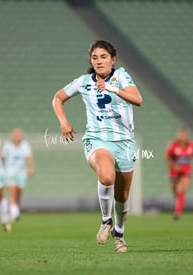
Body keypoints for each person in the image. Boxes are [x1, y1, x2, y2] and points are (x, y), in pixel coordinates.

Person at [52, 40, 143, 253]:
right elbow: (58, 98)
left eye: (103, 57)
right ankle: (105, 220)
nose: (99, 61)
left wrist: (110, 87)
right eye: (95, 57)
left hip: (124, 143)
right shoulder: (84, 81)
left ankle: (119, 234)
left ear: (113, 59)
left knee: (123, 197)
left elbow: (138, 100)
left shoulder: (121, 76)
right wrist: (63, 121)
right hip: (97, 140)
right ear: (91, 61)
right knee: (106, 176)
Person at [165, 128, 193, 220]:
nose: (183, 137)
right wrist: (174, 166)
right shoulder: (173, 145)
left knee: (182, 190)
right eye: (181, 135)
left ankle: (177, 212)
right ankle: (178, 201)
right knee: (175, 190)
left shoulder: (191, 145)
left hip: (186, 170)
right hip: (174, 171)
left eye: (185, 135)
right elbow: (167, 158)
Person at [1, 128, 34, 222]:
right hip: (9, 172)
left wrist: (30, 168)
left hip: (21, 173)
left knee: (18, 193)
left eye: (19, 135)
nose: (17, 137)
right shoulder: (7, 146)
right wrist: (0, 169)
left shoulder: (25, 145)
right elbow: (2, 158)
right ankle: (14, 214)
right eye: (16, 135)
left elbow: (29, 158)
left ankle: (15, 210)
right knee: (12, 192)